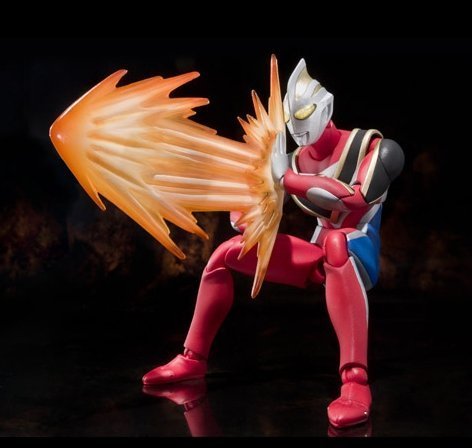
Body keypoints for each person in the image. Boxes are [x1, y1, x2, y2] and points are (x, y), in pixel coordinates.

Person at [142, 59, 404, 429]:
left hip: (357, 250)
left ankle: (355, 381)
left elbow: (354, 197)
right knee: (227, 253)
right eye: (291, 120)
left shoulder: (373, 147)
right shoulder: (291, 159)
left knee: (335, 241)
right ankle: (192, 358)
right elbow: (247, 204)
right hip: (320, 255)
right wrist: (248, 210)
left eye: (304, 115)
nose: (298, 127)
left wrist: (287, 179)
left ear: (326, 106)